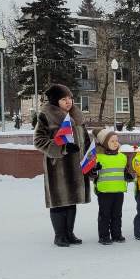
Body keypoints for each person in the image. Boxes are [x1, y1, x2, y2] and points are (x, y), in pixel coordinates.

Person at [33, 84, 91, 247]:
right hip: (58, 167)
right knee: (59, 201)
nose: (68, 102)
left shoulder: (77, 116)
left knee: (72, 201)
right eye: (63, 99)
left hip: (77, 166)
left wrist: (89, 157)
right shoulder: (46, 116)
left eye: (70, 98)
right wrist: (62, 148)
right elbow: (39, 141)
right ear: (55, 101)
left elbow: (85, 140)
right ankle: (59, 235)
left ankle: (69, 233)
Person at [87, 128, 134, 244]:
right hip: (104, 191)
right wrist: (94, 170)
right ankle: (104, 236)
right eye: (112, 141)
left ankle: (116, 234)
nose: (115, 143)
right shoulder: (98, 157)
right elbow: (90, 174)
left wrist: (128, 176)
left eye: (116, 140)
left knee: (117, 214)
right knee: (105, 215)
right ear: (104, 143)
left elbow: (125, 171)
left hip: (119, 191)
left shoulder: (122, 157)